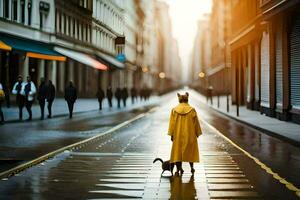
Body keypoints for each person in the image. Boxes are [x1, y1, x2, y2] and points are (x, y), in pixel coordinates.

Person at [168, 92, 202, 175]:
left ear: (179, 100)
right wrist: (197, 133)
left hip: (178, 135)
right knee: (190, 151)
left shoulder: (174, 110)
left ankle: (178, 170)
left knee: (177, 152)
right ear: (187, 99)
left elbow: (171, 124)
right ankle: (192, 168)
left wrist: (172, 134)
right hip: (190, 134)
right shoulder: (192, 110)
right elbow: (196, 123)